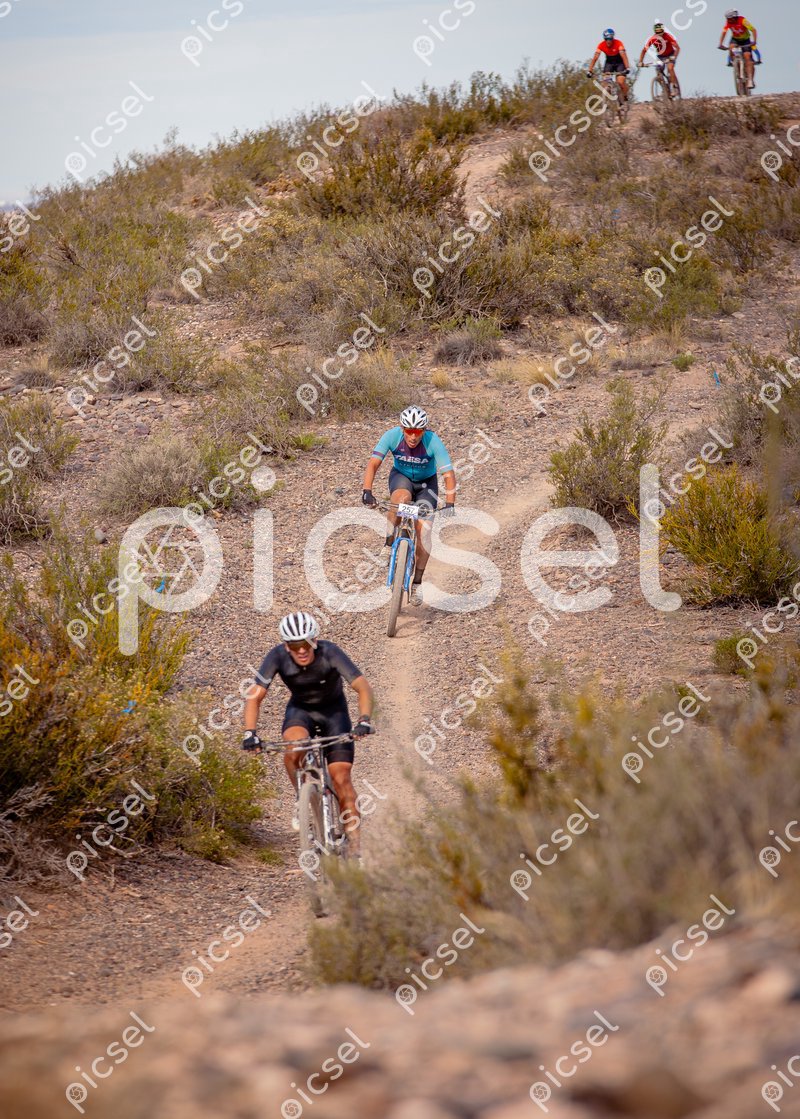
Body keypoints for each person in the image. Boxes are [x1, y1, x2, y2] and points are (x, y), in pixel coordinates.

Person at [242, 611, 374, 855]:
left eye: (306, 643)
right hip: (301, 711)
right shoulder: (277, 656)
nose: (301, 650)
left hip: (334, 713)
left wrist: (364, 720)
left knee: (341, 777)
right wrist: (250, 733)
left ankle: (355, 847)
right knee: (293, 746)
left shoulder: (330, 652)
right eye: (295, 645)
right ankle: (301, 797)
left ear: (315, 640)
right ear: (286, 646)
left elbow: (362, 687)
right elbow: (254, 696)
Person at [361, 405, 456, 606]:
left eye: (418, 432)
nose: (413, 436)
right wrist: (367, 490)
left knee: (424, 532)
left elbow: (448, 474)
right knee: (400, 499)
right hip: (401, 478)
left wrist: (450, 503)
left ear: (424, 430)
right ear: (402, 429)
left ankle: (417, 583)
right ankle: (388, 544)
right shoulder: (392, 436)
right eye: (409, 431)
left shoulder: (433, 441)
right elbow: (373, 463)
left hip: (426, 485)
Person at [588, 29, 632, 102]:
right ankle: (610, 101)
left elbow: (624, 56)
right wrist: (590, 70)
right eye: (606, 39)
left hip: (620, 63)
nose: (608, 41)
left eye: (610, 39)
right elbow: (595, 58)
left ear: (613, 38)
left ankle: (625, 96)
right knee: (605, 82)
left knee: (620, 82)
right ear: (604, 39)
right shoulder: (601, 45)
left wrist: (627, 68)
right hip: (609, 63)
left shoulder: (618, 43)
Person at [718, 9, 757, 89]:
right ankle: (736, 65)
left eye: (729, 18)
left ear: (733, 17)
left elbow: (753, 30)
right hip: (735, 39)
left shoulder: (742, 20)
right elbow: (724, 32)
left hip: (745, 40)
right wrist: (721, 44)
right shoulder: (728, 22)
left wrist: (754, 41)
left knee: (747, 57)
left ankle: (750, 80)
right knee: (731, 48)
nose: (727, 20)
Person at [639, 20, 680, 90]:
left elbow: (677, 48)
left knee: (670, 68)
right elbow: (644, 51)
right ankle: (664, 89)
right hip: (661, 57)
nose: (659, 34)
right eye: (657, 32)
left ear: (663, 31)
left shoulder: (668, 36)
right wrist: (641, 62)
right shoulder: (652, 39)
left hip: (670, 54)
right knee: (658, 72)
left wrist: (674, 57)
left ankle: (674, 86)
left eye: (660, 31)